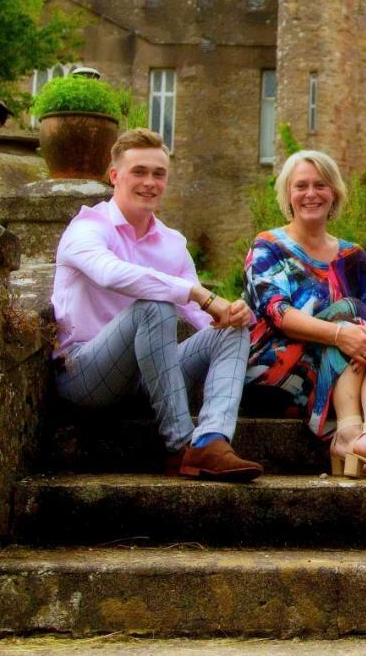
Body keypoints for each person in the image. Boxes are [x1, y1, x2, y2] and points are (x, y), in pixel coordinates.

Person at [51, 128, 262, 481]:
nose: (149, 182)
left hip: (148, 376)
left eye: (158, 174)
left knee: (232, 328)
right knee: (155, 305)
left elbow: (201, 317)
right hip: (84, 374)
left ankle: (211, 439)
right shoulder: (87, 227)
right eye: (139, 172)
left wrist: (233, 314)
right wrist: (196, 292)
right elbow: (109, 273)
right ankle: (183, 445)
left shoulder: (171, 243)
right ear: (115, 176)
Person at [244, 150, 366, 480]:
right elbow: (278, 314)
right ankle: (349, 431)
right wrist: (342, 334)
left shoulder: (351, 254)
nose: (310, 193)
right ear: (288, 195)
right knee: (349, 313)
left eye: (320, 185)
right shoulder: (268, 246)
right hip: (274, 367)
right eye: (301, 186)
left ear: (333, 192)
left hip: (340, 364)